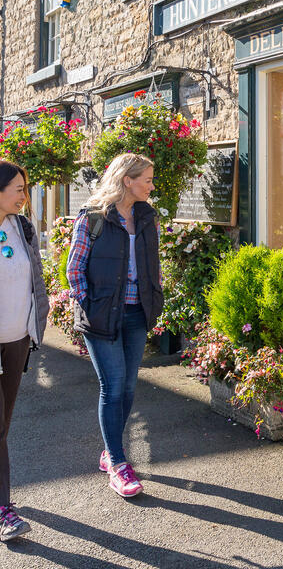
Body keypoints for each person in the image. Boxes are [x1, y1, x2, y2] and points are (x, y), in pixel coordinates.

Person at [67, 153, 163, 498]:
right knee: (113, 385)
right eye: (148, 180)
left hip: (138, 312)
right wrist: (91, 306)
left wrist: (155, 296)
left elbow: (153, 264)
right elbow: (74, 269)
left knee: (128, 387)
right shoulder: (93, 218)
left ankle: (110, 453)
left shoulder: (146, 217)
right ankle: (120, 464)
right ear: (127, 180)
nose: (152, 186)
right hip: (102, 316)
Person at [0, 160, 49, 540]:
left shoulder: (23, 227)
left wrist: (36, 328)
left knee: (4, 424)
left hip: (17, 340)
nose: (24, 195)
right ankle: (4, 509)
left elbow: (35, 279)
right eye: (18, 188)